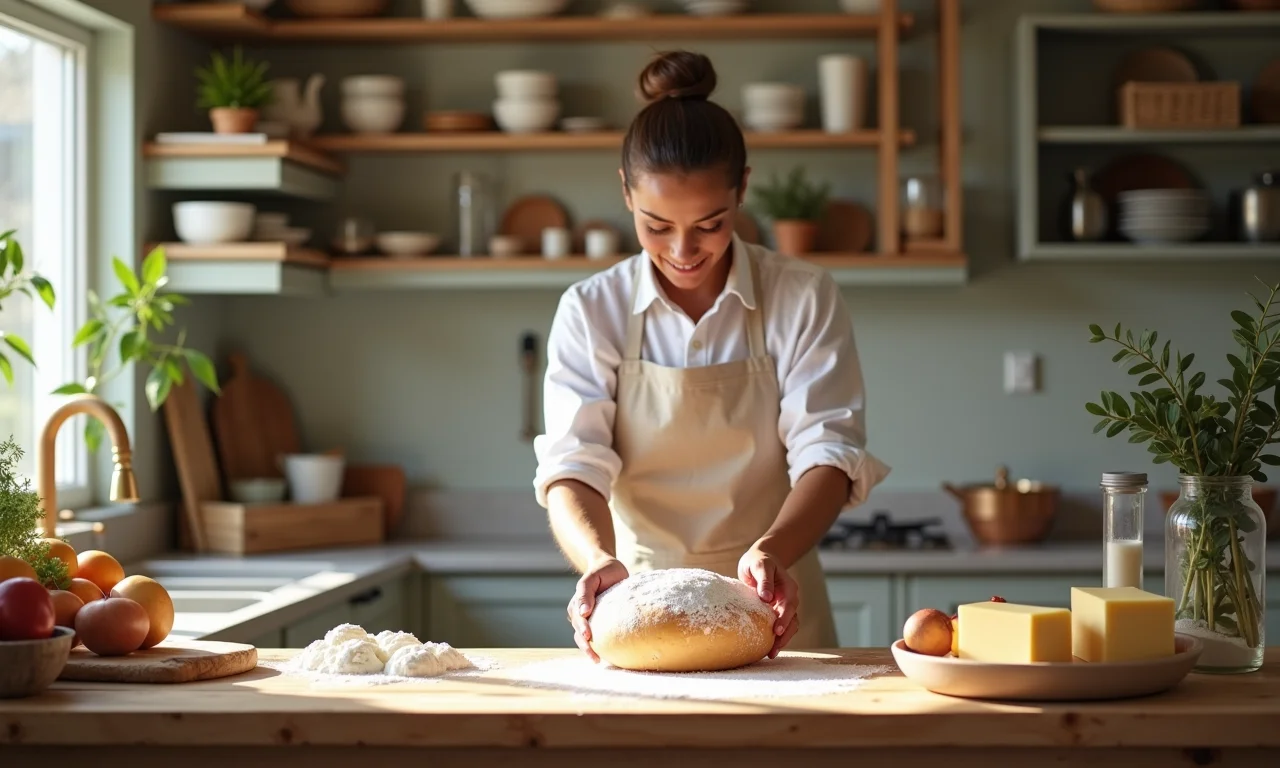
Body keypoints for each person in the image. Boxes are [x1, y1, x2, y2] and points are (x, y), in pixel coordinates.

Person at [532, 50, 890, 662]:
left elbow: (828, 454)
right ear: (625, 193)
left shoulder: (801, 296)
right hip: (638, 602)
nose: (682, 249)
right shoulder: (593, 308)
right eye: (656, 225)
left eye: (710, 222)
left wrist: (774, 551)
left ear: (742, 188)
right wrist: (596, 561)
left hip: (773, 599)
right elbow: (574, 463)